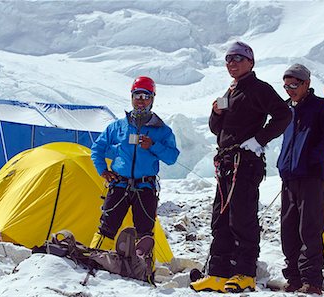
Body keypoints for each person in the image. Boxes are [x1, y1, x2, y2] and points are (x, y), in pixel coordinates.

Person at [190, 41, 291, 293]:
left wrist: (258, 140)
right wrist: (216, 113)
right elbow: (216, 129)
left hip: (244, 163)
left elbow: (284, 115)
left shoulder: (259, 89)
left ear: (250, 62)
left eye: (237, 58)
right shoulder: (230, 92)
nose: (231, 63)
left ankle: (245, 273)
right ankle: (218, 272)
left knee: (243, 218)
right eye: (228, 59)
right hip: (226, 163)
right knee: (221, 218)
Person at [89, 76, 179, 258]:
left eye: (146, 96)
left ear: (152, 99)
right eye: (138, 96)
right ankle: (95, 258)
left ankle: (145, 269)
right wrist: (103, 171)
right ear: (131, 98)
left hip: (145, 187)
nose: (141, 101)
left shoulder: (162, 131)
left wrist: (153, 145)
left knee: (145, 232)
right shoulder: (117, 127)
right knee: (107, 226)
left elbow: (172, 158)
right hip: (119, 184)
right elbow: (97, 149)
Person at [277, 64, 324, 295]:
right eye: (286, 85)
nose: (289, 90)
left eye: (294, 85)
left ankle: (312, 281)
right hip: (289, 177)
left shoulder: (321, 107)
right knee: (288, 229)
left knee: (309, 229)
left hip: (311, 176)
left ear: (306, 84)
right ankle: (293, 277)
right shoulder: (287, 110)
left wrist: (311, 158)